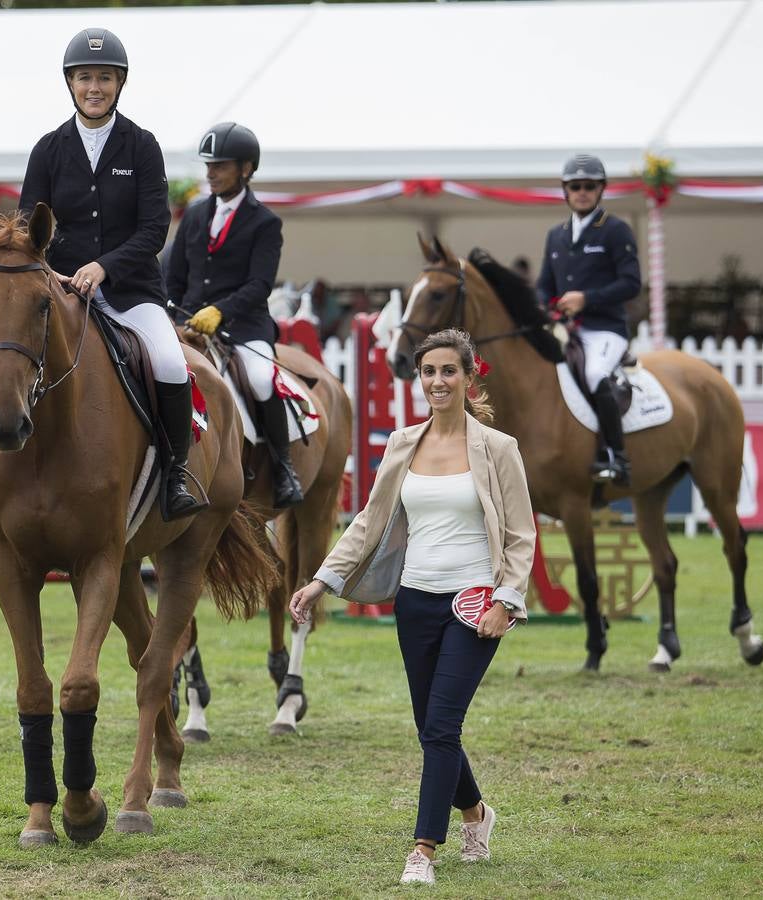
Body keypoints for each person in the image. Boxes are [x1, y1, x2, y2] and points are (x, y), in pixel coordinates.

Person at [289, 328, 535, 887]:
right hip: (415, 603)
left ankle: (423, 849)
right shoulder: (403, 444)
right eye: (429, 372)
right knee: (432, 727)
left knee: (442, 726)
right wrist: (321, 581)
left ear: (470, 377)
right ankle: (475, 813)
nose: (438, 381)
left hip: (474, 606)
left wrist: (507, 602)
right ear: (419, 379)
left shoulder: (499, 449)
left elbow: (521, 535)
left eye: (450, 371)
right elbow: (368, 525)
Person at [0, 27, 204, 522]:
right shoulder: (49, 149)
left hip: (131, 292)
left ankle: (175, 473)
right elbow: (26, 230)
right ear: (71, 84)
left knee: (168, 360)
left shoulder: (142, 146)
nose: (94, 87)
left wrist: (104, 266)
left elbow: (154, 228)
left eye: (104, 78)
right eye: (85, 78)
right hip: (58, 289)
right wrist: (52, 274)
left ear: (120, 84)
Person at [165, 121, 300, 508]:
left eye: (220, 165)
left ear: (245, 169)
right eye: (208, 166)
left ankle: (283, 466)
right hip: (188, 324)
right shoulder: (193, 215)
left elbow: (260, 284)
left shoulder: (264, 223)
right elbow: (173, 277)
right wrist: (173, 315)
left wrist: (219, 312)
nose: (210, 173)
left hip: (244, 326)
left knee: (260, 380)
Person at [535, 153, 642, 486]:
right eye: (575, 186)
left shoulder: (615, 231)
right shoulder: (556, 235)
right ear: (566, 191)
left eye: (589, 186)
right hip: (567, 330)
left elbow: (631, 283)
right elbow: (544, 285)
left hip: (606, 329)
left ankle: (616, 457)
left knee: (595, 373)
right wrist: (544, 306)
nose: (582, 192)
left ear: (601, 190)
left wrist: (586, 299)